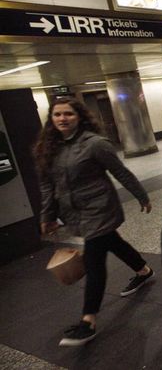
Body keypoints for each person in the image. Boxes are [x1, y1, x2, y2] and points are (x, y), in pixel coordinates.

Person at [34, 98, 153, 347]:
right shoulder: (49, 148)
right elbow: (47, 187)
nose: (62, 119)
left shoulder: (95, 144)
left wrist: (141, 196)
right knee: (112, 241)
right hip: (74, 213)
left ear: (79, 117)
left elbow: (121, 172)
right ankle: (143, 270)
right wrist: (46, 216)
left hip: (100, 209)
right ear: (51, 118)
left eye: (68, 114)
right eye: (57, 115)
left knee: (94, 260)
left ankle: (88, 321)